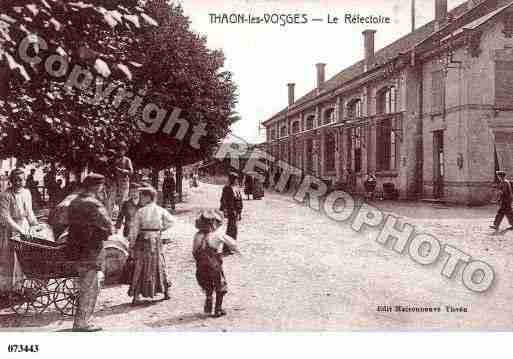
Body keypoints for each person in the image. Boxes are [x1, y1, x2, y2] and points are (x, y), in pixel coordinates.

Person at [68, 174, 112, 332]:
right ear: (97, 186)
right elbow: (108, 226)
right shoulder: (94, 203)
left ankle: (80, 321)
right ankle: (82, 323)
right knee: (91, 287)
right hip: (91, 250)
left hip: (76, 249)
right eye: (101, 185)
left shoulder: (74, 202)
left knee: (83, 286)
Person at [128, 186, 174, 305]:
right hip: (156, 238)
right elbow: (171, 221)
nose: (140, 198)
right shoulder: (160, 209)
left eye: (142, 196)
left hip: (143, 239)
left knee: (141, 265)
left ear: (148, 197)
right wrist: (160, 229)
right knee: (159, 263)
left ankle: (136, 296)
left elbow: (134, 230)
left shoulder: (140, 211)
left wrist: (131, 244)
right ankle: (166, 292)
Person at [0, 168, 40, 299]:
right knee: (11, 259)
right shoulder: (6, 195)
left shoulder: (27, 193)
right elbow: (5, 217)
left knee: (25, 258)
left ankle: (21, 287)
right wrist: (20, 230)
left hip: (24, 226)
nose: (18, 182)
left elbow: (29, 211)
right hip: (11, 229)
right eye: (15, 180)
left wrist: (34, 224)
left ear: (24, 181)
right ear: (11, 181)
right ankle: (8, 290)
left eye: (21, 180)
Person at [193, 210, 238, 317]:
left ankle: (208, 300)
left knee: (207, 284)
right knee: (220, 286)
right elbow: (233, 243)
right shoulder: (217, 235)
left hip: (200, 265)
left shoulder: (197, 235)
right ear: (214, 223)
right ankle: (218, 309)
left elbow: (194, 251)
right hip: (214, 265)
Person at [107, 142, 133, 219]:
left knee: (122, 201)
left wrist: (122, 170)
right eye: (119, 149)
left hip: (124, 183)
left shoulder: (127, 160)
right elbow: (108, 170)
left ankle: (120, 219)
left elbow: (131, 172)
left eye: (122, 150)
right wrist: (110, 173)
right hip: (114, 182)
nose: (120, 151)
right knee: (111, 200)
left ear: (125, 151)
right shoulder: (112, 159)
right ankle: (108, 218)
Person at [219, 172, 243, 255]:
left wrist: (239, 212)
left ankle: (231, 248)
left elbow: (240, 201)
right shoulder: (227, 188)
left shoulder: (236, 188)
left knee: (234, 230)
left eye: (237, 179)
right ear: (232, 179)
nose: (236, 181)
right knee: (230, 230)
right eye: (235, 179)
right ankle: (226, 249)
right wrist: (226, 211)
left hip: (236, 211)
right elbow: (224, 200)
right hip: (231, 211)